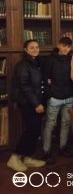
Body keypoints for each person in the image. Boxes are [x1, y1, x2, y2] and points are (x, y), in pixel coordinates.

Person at [7, 40, 46, 171]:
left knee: (35, 130)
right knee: (30, 130)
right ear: (25, 50)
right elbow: (25, 87)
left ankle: (28, 157)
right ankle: (14, 158)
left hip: (36, 101)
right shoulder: (23, 65)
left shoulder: (36, 63)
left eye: (37, 47)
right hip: (27, 102)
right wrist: (36, 104)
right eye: (32, 47)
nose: (35, 49)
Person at [42, 37, 73, 165]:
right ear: (58, 45)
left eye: (68, 47)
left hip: (69, 98)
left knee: (66, 123)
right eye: (64, 46)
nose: (66, 49)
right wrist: (50, 95)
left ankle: (62, 147)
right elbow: (45, 78)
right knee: (50, 124)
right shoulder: (51, 60)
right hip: (55, 98)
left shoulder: (72, 59)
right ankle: (46, 152)